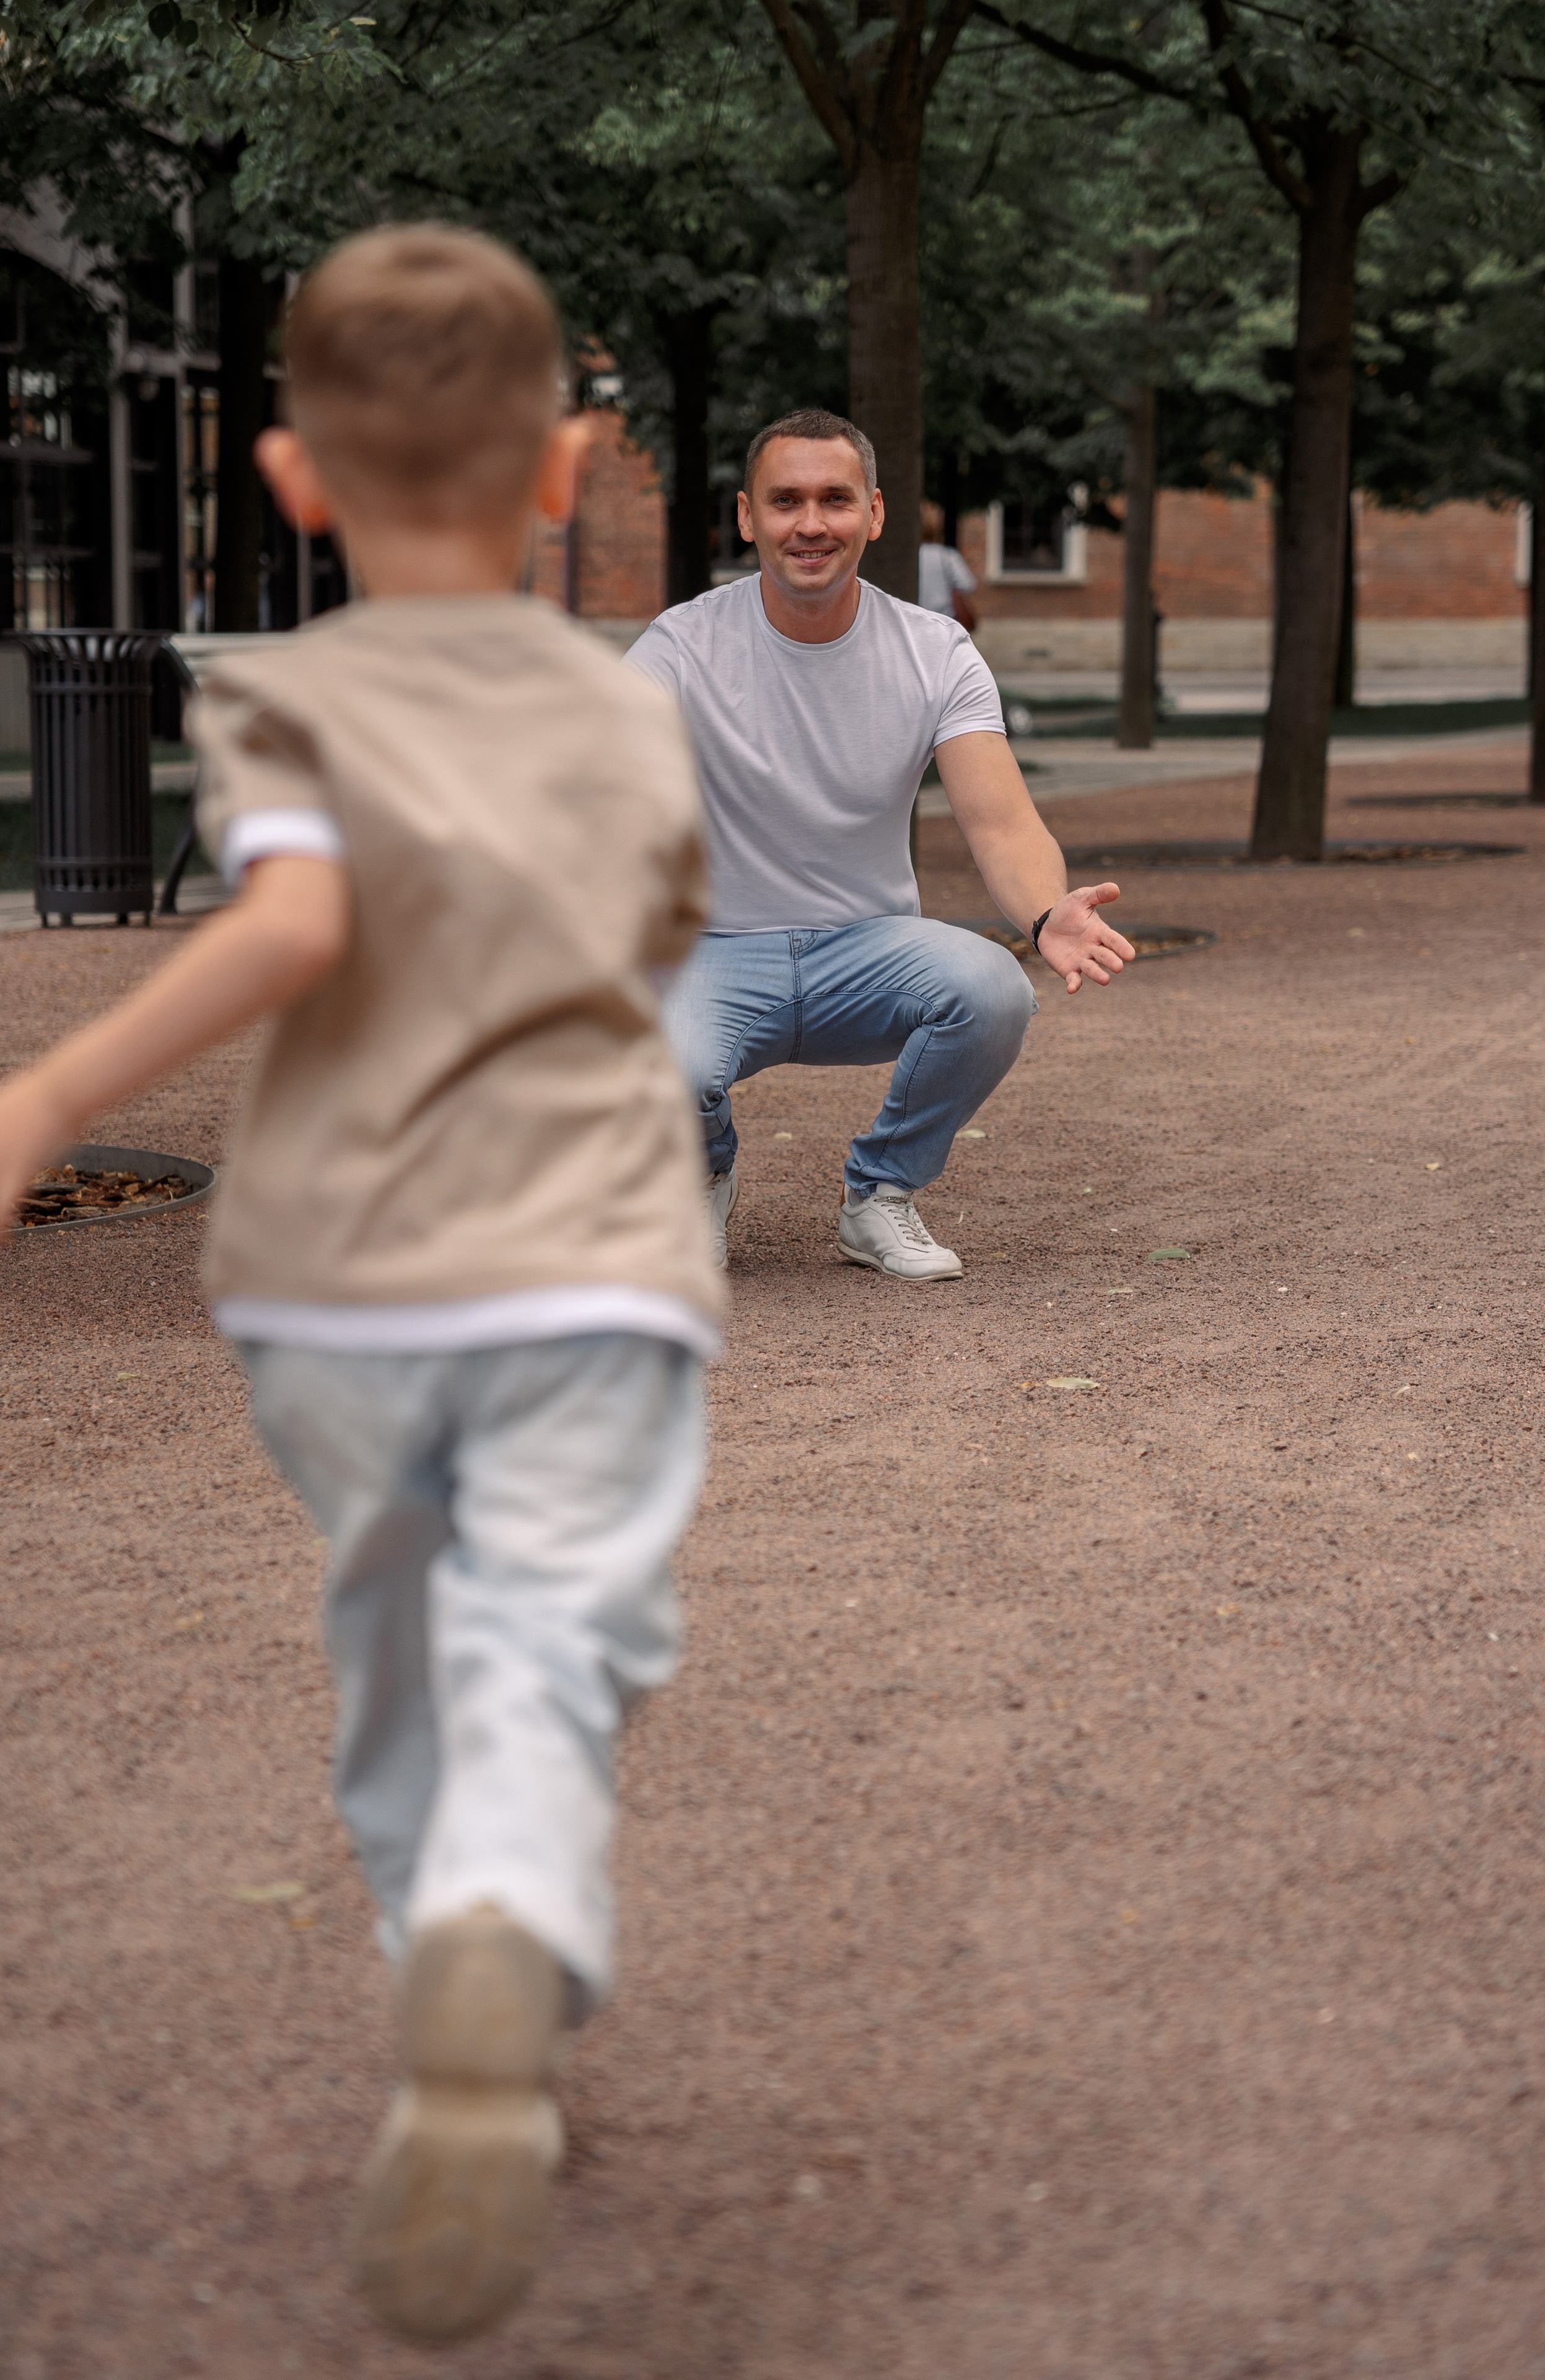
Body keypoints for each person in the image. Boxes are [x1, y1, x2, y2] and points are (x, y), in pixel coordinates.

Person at [0, 226, 719, 2345]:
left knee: (398, 1637)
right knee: (552, 1627)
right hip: (586, 1258)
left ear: (294, 476)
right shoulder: (629, 713)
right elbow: (662, 946)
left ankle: (451, 1982)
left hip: (336, 1280)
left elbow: (299, 925)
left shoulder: (282, 695)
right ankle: (503, 1920)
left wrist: (49, 1093)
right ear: (565, 468)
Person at [626, 408, 1134, 1281]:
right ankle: (700, 1179)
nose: (810, 524)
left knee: (993, 988)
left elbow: (1001, 822)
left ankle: (879, 1195)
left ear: (875, 512)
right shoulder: (682, 645)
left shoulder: (936, 651)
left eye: (835, 499)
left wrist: (1046, 911)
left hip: (865, 951)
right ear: (746, 517)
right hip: (716, 948)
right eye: (785, 501)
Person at [917, 497, 978, 630]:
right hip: (942, 624)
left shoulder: (906, 558)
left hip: (912, 622)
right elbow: (967, 585)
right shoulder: (947, 556)